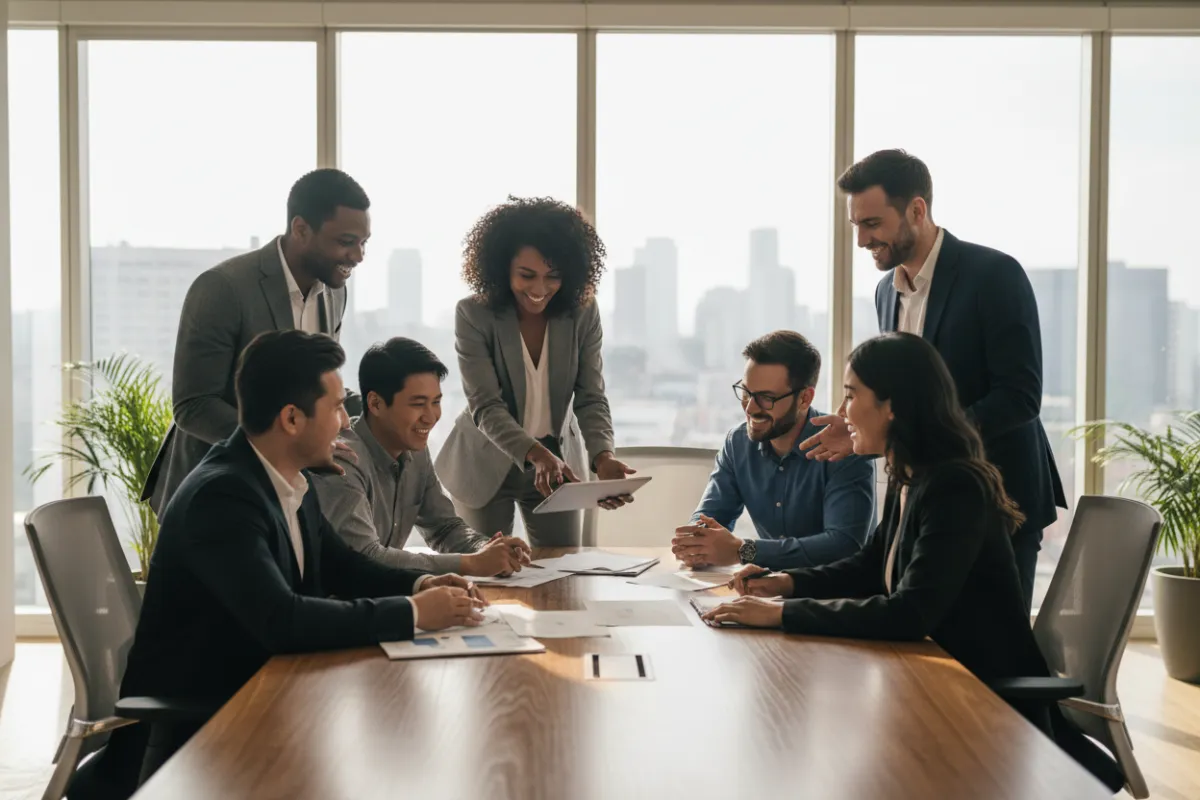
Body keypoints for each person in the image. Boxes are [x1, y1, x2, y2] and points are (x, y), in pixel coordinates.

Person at [703, 333, 1124, 793]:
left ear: (892, 407)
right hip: (929, 674)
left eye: (851, 396)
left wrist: (780, 615)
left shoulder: (954, 486)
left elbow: (909, 612)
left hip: (974, 701)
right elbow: (869, 567)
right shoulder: (913, 475)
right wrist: (782, 583)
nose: (841, 414)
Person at [72, 331, 484, 799]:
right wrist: (413, 614)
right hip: (205, 728)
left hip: (266, 693)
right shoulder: (223, 497)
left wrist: (423, 583)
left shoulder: (286, 478)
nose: (345, 425)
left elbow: (345, 566)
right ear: (291, 419)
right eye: (334, 409)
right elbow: (281, 620)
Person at [801, 149, 1065, 612]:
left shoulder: (993, 275)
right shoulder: (887, 291)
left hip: (1000, 497)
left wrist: (922, 439)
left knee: (988, 660)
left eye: (873, 224)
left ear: (917, 210)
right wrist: (870, 428)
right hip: (923, 499)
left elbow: (1019, 396)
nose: (862, 239)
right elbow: (905, 398)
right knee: (917, 635)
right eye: (855, 226)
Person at [141, 168, 372, 518]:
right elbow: (194, 405)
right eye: (346, 241)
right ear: (300, 229)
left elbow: (316, 390)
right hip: (212, 493)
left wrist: (379, 417)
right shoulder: (223, 288)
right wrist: (287, 444)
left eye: (363, 243)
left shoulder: (334, 293)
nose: (358, 256)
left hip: (286, 494)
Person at [435, 196, 635, 547]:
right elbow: (485, 406)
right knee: (490, 576)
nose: (540, 289)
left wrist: (603, 456)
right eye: (526, 275)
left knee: (563, 572)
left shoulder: (582, 312)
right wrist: (537, 455)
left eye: (553, 276)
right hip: (484, 462)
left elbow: (591, 396)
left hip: (557, 463)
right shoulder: (473, 314)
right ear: (502, 268)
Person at [311, 337, 532, 577]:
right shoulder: (343, 463)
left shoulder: (415, 451)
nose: (431, 417)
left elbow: (444, 527)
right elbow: (366, 556)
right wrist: (469, 564)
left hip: (384, 596)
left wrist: (484, 549)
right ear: (375, 403)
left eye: (436, 402)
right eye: (418, 404)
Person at [670, 331, 874, 570]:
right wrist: (698, 539)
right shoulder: (738, 444)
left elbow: (843, 546)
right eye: (746, 392)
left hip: (838, 598)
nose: (750, 408)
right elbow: (713, 514)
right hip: (770, 590)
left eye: (766, 398)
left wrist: (743, 550)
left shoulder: (843, 448)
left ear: (804, 399)